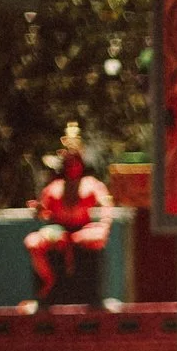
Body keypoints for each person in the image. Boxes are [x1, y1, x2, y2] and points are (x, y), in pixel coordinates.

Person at [22, 124, 111, 308]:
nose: (73, 166)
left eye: (76, 161)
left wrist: (103, 226)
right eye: (69, 162)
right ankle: (49, 282)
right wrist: (38, 209)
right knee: (32, 241)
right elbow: (45, 213)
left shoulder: (91, 184)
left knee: (95, 238)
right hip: (59, 231)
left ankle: (93, 298)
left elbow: (106, 205)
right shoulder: (54, 187)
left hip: (83, 231)